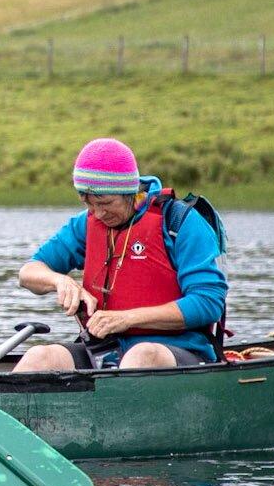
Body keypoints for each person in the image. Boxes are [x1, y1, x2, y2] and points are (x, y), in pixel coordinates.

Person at [14, 138, 228, 371]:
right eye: (88, 203)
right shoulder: (86, 223)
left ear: (129, 192)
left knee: (141, 355)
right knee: (40, 356)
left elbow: (208, 303)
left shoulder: (180, 222)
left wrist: (126, 319)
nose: (97, 213)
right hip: (104, 351)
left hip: (180, 351)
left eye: (104, 202)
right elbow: (29, 272)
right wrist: (59, 281)